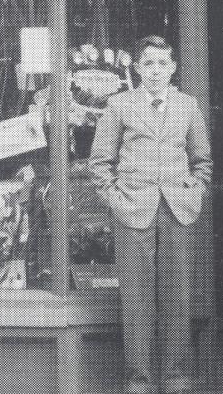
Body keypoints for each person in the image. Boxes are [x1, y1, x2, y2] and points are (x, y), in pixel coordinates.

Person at [89, 35, 212, 394]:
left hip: (177, 210)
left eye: (162, 63)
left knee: (178, 297)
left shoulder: (188, 106)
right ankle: (138, 381)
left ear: (173, 68)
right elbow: (100, 161)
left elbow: (202, 160)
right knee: (136, 299)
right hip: (133, 209)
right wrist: (115, 198)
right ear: (138, 68)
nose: (155, 71)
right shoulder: (119, 105)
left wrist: (194, 190)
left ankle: (176, 379)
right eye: (148, 63)